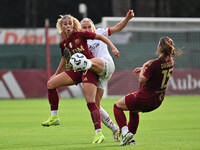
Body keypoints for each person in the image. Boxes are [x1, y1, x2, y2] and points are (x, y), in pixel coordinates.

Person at [41, 14, 119, 144]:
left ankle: (98, 133)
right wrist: (56, 73)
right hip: (76, 70)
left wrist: (113, 47)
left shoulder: (81, 34)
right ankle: (54, 117)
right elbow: (65, 58)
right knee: (50, 84)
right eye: (65, 24)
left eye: (70, 23)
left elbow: (100, 37)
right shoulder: (63, 42)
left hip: (89, 69)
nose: (68, 25)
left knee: (90, 102)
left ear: (73, 24)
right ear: (61, 26)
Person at [113, 37, 183, 146]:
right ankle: (131, 139)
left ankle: (126, 133)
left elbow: (142, 79)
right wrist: (145, 68)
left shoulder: (154, 64)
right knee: (134, 110)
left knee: (117, 106)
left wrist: (145, 66)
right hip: (158, 100)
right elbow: (157, 71)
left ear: (159, 47)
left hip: (145, 98)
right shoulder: (171, 61)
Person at [80, 10, 135, 142]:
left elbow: (116, 28)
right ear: (80, 29)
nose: (88, 29)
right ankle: (115, 129)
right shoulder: (80, 41)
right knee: (94, 106)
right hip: (99, 74)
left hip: (106, 65)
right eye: (84, 27)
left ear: (93, 27)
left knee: (86, 63)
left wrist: (127, 19)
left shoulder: (99, 32)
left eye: (89, 27)